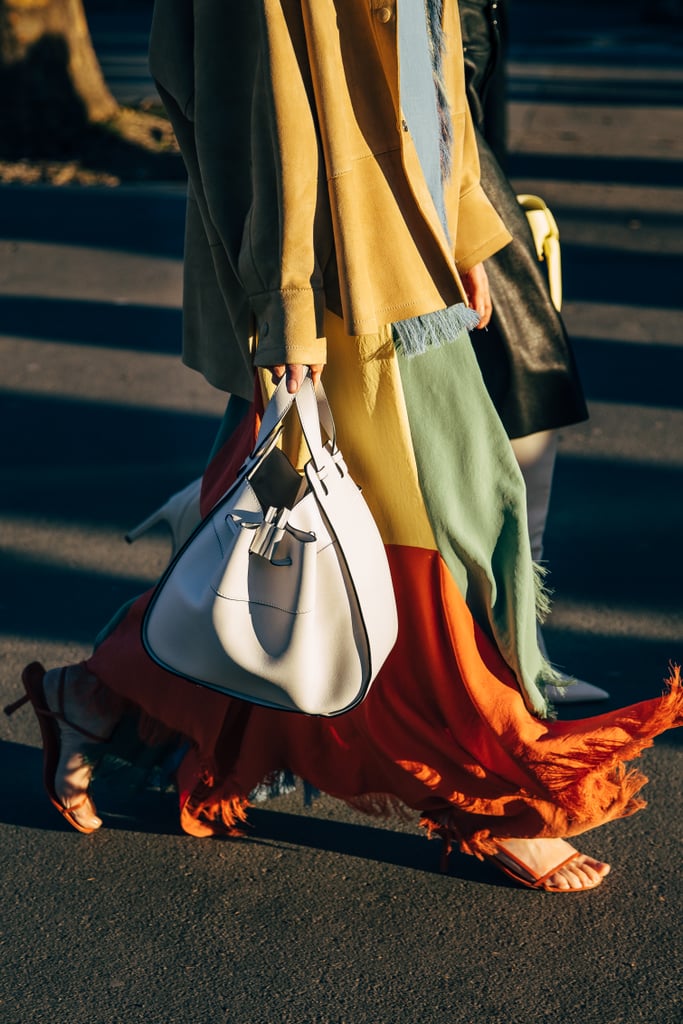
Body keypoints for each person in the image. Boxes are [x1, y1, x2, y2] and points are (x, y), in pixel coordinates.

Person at [7, 0, 681, 894]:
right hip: (334, 271)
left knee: (312, 532)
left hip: (397, 246)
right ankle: (490, 794)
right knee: (426, 532)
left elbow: (421, 56)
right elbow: (263, 107)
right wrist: (288, 307)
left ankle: (101, 698)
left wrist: (461, 226)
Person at [459, 0, 608, 702]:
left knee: (524, 383)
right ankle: (510, 644)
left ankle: (513, 639)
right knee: (529, 371)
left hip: (456, 166)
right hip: (436, 179)